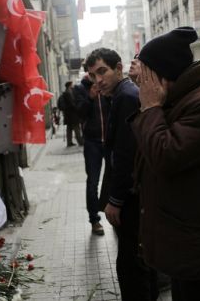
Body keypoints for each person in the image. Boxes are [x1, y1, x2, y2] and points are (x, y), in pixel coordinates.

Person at [132, 27, 200, 300]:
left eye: (145, 76)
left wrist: (150, 108)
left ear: (162, 74)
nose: (141, 84)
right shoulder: (183, 97)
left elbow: (164, 156)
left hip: (199, 240)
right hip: (184, 236)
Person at [86, 48, 158, 300]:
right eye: (93, 75)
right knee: (136, 262)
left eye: (102, 71)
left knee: (132, 265)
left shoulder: (127, 96)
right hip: (133, 194)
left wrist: (115, 200)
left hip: (131, 197)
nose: (98, 80)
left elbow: (126, 156)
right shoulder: (120, 94)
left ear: (119, 68)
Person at [72, 68, 111, 236]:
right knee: (93, 182)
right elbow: (79, 113)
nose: (96, 76)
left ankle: (116, 215)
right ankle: (94, 220)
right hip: (92, 142)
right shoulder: (80, 88)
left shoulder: (107, 85)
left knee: (114, 179)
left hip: (110, 141)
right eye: (92, 72)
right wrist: (90, 97)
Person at [58, 81, 83, 147]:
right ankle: (80, 141)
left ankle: (69, 142)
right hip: (72, 114)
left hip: (68, 114)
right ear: (69, 86)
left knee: (69, 129)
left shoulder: (65, 93)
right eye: (72, 84)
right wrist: (77, 108)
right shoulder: (68, 93)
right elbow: (72, 104)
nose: (73, 85)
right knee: (76, 128)